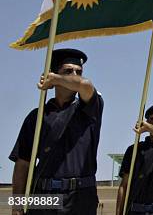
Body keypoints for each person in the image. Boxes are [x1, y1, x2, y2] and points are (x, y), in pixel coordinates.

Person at [9, 48, 103, 215]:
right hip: (43, 196)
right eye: (68, 71)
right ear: (52, 74)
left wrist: (58, 79)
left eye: (78, 72)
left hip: (80, 197)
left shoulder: (90, 108)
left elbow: (86, 85)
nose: (75, 75)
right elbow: (23, 163)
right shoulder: (36, 117)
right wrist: (17, 205)